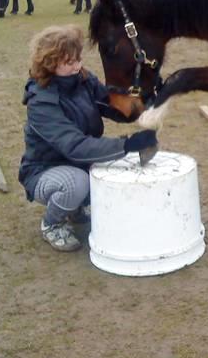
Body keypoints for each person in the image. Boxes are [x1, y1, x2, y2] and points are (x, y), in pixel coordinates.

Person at [18, 24, 157, 252]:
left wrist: (142, 104)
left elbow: (110, 105)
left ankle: (76, 207)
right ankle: (52, 224)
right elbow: (75, 146)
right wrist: (129, 144)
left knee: (119, 170)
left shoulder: (82, 79)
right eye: (69, 62)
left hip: (81, 163)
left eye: (78, 59)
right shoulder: (41, 102)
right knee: (76, 184)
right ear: (50, 63)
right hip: (44, 169)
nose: (77, 66)